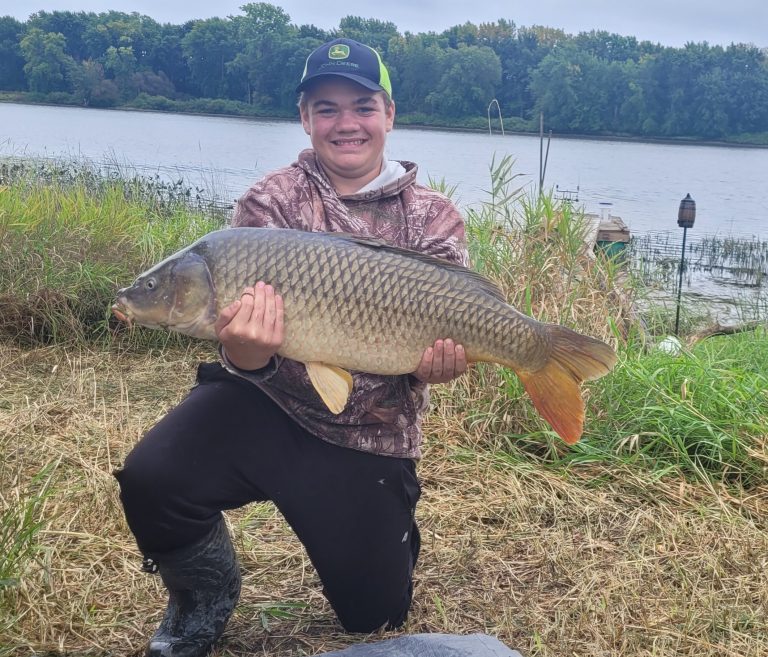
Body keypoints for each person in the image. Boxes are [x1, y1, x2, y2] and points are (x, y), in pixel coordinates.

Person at [114, 37, 470, 657]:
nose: (346, 123)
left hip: (369, 432)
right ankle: (203, 598)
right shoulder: (271, 201)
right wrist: (248, 351)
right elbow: (244, 360)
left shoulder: (433, 217)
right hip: (266, 408)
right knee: (153, 478)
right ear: (305, 120)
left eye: (362, 106)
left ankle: (385, 535)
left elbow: (431, 365)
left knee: (374, 614)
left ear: (389, 114)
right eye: (325, 108)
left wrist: (442, 366)